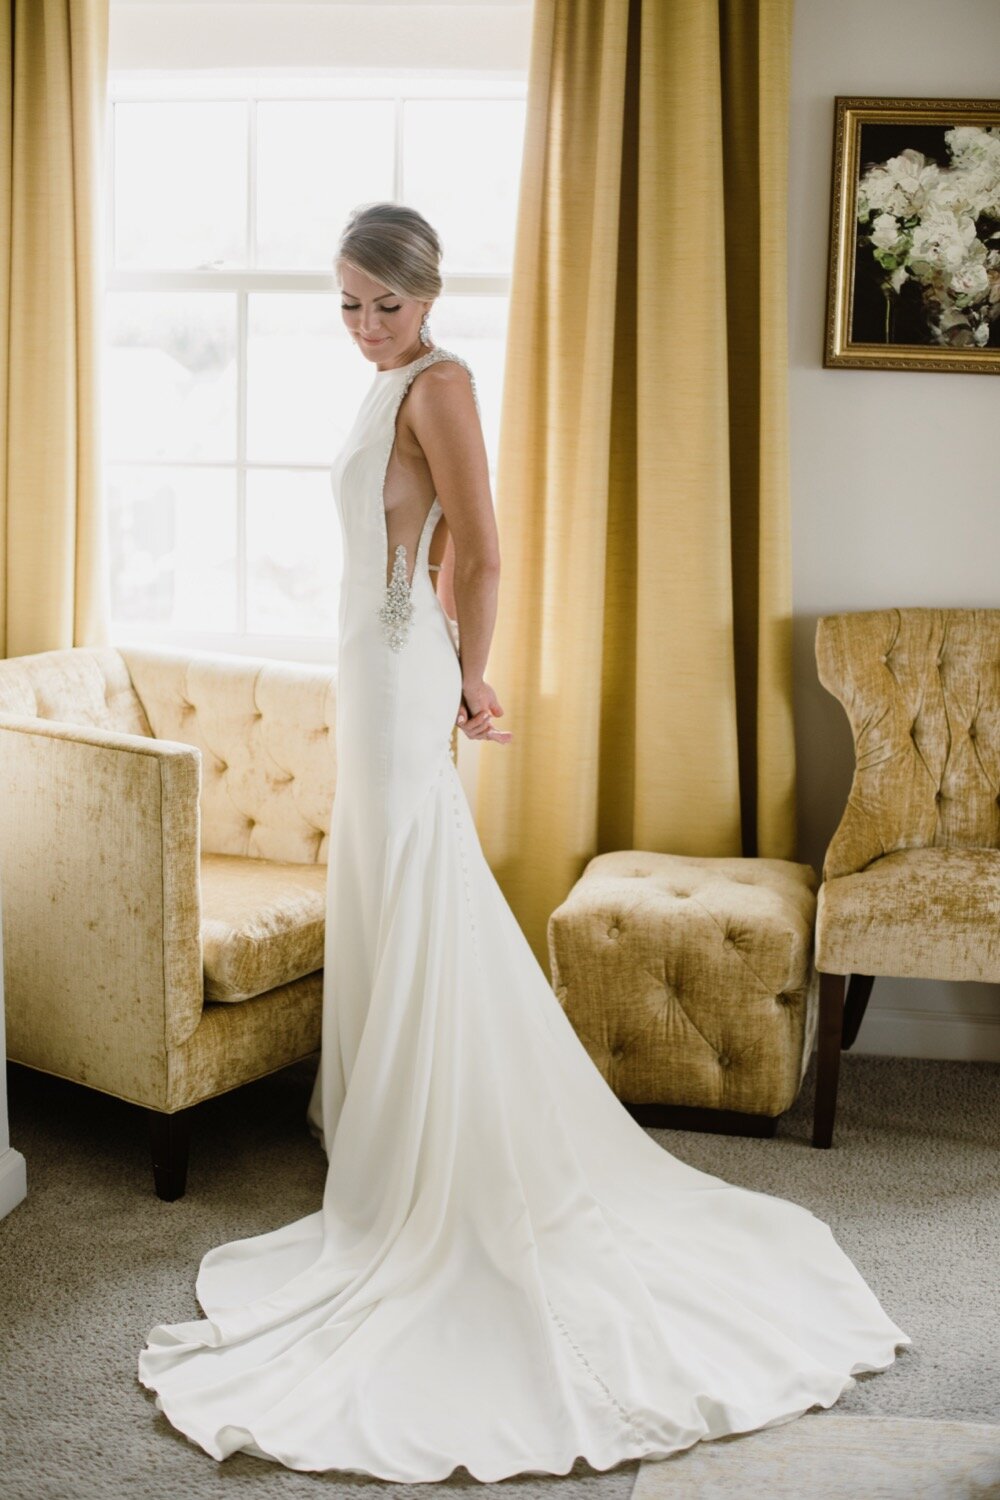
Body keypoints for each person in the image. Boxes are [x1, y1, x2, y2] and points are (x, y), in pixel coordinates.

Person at [137, 202, 911, 1483]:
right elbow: (416, 540)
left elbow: (483, 551)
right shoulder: (381, 384)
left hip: (399, 671)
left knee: (415, 884)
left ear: (429, 297)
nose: (363, 325)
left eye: (384, 303)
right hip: (373, 659)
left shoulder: (439, 381)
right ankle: (385, 1123)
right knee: (393, 887)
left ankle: (428, 1150)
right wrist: (444, 661)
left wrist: (468, 676)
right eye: (345, 302)